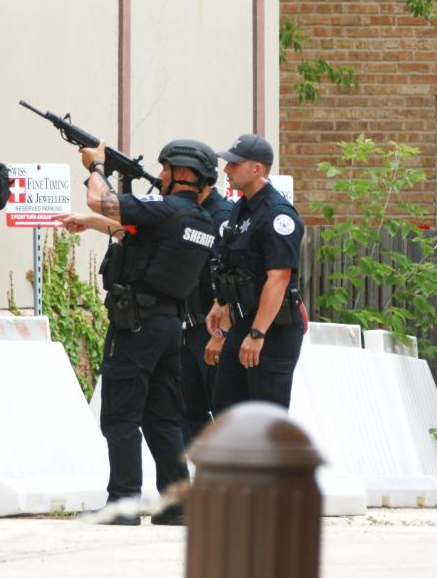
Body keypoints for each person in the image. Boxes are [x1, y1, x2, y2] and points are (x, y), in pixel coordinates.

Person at [56, 139, 217, 526]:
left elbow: (102, 201)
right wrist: (93, 223)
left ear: (183, 174)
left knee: (120, 416)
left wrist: (96, 167)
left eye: (165, 170)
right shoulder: (198, 221)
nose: (159, 176)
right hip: (167, 327)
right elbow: (138, 237)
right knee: (163, 419)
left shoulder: (167, 209)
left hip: (136, 325)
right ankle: (177, 504)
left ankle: (123, 505)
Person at [205, 134, 306, 413]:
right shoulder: (241, 209)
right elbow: (235, 269)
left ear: (257, 169)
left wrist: (258, 334)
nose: (227, 170)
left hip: (274, 329)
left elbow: (279, 278)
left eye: (235, 164)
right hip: (244, 322)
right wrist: (220, 306)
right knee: (226, 408)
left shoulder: (277, 215)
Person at [179, 145, 233, 444]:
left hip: (211, 328)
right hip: (187, 327)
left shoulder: (220, 216)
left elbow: (227, 277)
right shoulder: (189, 213)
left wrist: (221, 332)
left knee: (222, 410)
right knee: (187, 410)